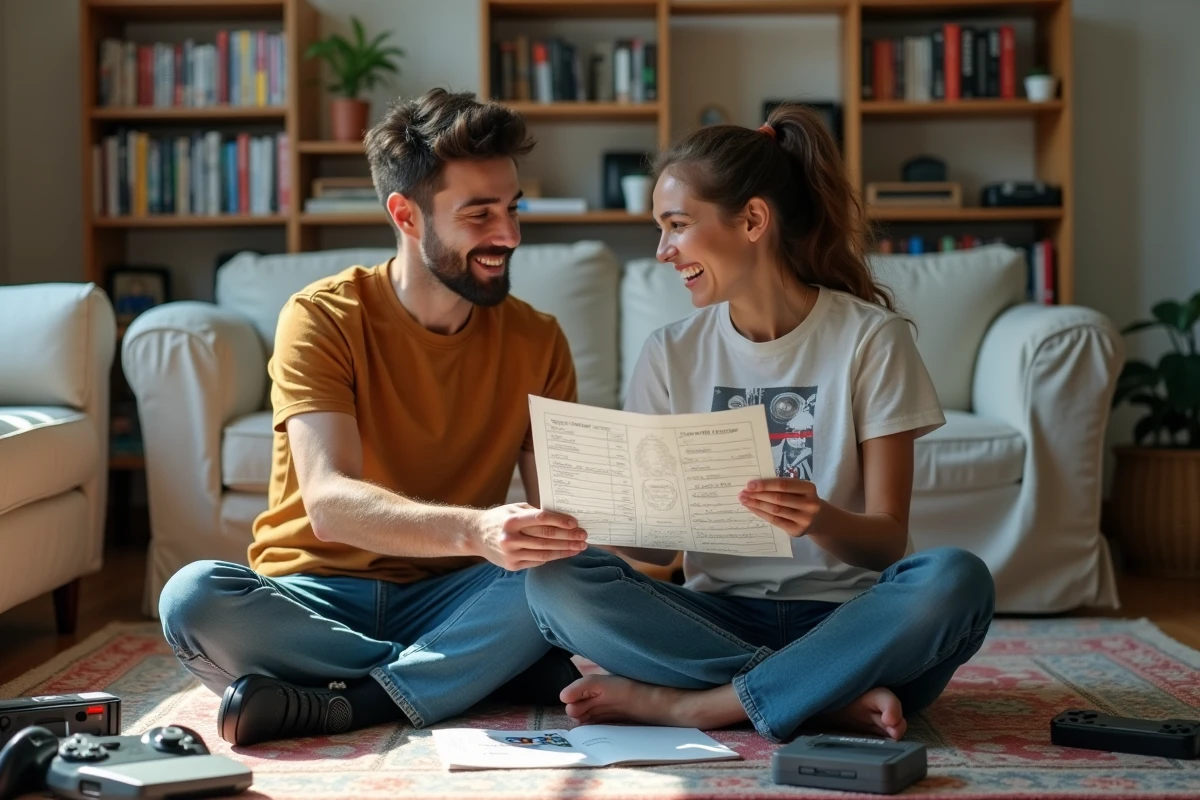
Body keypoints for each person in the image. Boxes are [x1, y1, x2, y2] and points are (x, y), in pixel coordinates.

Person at [524, 104, 996, 744]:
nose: (663, 251)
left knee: (956, 579)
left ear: (751, 220)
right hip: (716, 620)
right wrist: (595, 514)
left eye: (678, 226)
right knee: (553, 581)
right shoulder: (670, 352)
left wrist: (818, 518)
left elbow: (887, 543)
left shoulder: (870, 340)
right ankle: (818, 697)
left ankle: (700, 706)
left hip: (849, 623)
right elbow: (660, 555)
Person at [158, 88, 589, 747]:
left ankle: (353, 700)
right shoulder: (322, 317)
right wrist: (477, 530)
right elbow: (331, 505)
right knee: (193, 600)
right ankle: (461, 677)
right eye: (479, 214)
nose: (509, 235)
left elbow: (561, 523)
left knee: (565, 581)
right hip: (319, 594)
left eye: (512, 208)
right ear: (406, 215)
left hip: (459, 596)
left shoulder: (539, 339)